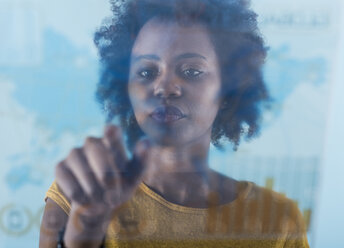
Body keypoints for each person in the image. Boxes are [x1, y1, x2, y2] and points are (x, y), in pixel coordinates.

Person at [39, 0, 310, 247]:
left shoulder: (278, 221)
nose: (164, 87)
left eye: (191, 71)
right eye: (146, 72)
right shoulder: (80, 195)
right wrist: (83, 235)